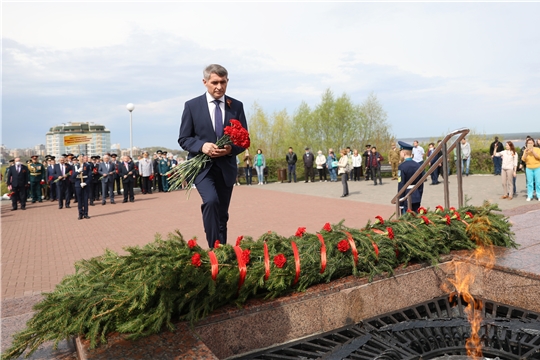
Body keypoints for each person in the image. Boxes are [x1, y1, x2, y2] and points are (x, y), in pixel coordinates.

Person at [178, 63, 248, 248]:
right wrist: (202, 146)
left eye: (223, 82)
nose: (219, 87)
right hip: (202, 168)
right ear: (205, 82)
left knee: (222, 214)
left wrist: (230, 149)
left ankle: (222, 250)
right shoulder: (192, 106)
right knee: (211, 201)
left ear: (227, 81)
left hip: (226, 168)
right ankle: (213, 249)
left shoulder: (237, 106)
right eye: (215, 82)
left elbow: (244, 140)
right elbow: (184, 138)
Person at [397, 141, 424, 213]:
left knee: (406, 219)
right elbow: (421, 183)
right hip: (417, 194)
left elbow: (401, 184)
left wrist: (400, 202)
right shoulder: (418, 165)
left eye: (400, 151)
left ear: (404, 153)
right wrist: (420, 195)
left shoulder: (402, 167)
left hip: (406, 195)